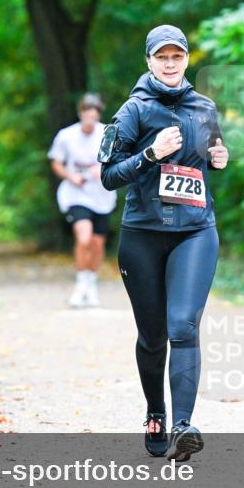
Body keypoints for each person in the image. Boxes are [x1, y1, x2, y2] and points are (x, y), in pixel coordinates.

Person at [99, 24, 229, 461]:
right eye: (162, 57)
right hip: (143, 234)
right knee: (153, 337)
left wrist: (219, 158)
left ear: (187, 59)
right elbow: (108, 176)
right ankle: (155, 410)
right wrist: (150, 154)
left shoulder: (205, 107)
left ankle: (183, 425)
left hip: (195, 230)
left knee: (183, 326)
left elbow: (210, 156)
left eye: (177, 57)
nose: (170, 64)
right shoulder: (134, 110)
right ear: (149, 62)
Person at [48, 93, 117, 308]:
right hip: (76, 194)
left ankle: (91, 284)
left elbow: (118, 160)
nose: (90, 122)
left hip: (102, 196)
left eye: (94, 117)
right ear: (81, 114)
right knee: (84, 238)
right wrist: (70, 176)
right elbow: (56, 162)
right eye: (86, 116)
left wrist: (102, 169)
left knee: (97, 244)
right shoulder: (66, 136)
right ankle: (79, 285)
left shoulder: (107, 134)